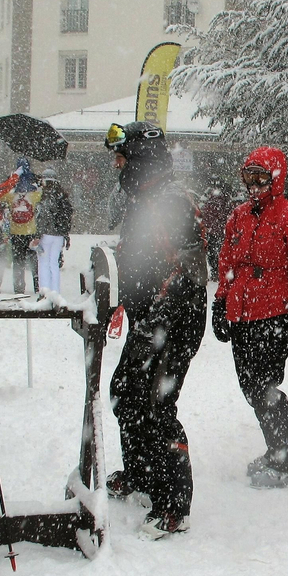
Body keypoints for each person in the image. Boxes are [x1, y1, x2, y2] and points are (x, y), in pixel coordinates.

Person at [103, 121, 207, 538]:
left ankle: (174, 507)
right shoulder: (143, 201)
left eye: (122, 158)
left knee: (158, 405)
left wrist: (158, 319)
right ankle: (141, 474)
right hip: (148, 319)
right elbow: (141, 260)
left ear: (141, 160)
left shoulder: (175, 204)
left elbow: (191, 272)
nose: (117, 165)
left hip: (175, 321)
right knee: (126, 393)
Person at [211, 147, 288, 489]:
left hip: (274, 314)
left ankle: (285, 455)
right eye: (249, 179)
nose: (254, 187)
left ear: (276, 179)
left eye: (261, 179)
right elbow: (227, 262)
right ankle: (284, 448)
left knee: (264, 387)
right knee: (251, 388)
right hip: (242, 313)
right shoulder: (238, 217)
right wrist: (220, 302)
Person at [0, 157, 41, 294]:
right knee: (34, 262)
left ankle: (19, 287)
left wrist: (12, 178)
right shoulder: (34, 195)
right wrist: (36, 181)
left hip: (16, 233)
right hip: (31, 231)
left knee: (18, 262)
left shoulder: (10, 196)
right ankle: (38, 285)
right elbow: (42, 193)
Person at [37, 167, 73, 295]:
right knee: (54, 264)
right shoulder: (63, 197)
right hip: (59, 236)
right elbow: (68, 217)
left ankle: (45, 292)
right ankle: (55, 292)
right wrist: (65, 235)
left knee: (43, 264)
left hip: (46, 234)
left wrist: (37, 234)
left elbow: (43, 217)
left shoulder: (45, 197)